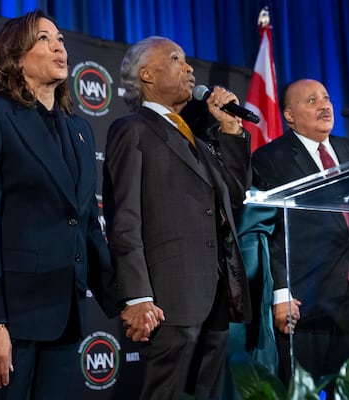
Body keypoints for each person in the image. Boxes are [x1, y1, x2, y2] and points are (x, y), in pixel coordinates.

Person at [0, 10, 117, 399]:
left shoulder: (79, 129)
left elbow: (86, 225)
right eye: (45, 39)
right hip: (11, 321)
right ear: (16, 55)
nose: (59, 46)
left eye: (60, 38)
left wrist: (122, 300)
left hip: (65, 317)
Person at [102, 35, 252, 400]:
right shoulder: (132, 129)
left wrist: (230, 129)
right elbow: (124, 219)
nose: (189, 68)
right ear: (147, 75)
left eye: (187, 60)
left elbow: (234, 196)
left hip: (214, 293)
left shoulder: (196, 139)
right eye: (175, 59)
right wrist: (137, 296)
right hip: (167, 300)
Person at [252, 78, 349, 387]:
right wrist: (281, 293)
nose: (324, 105)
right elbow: (269, 232)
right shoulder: (270, 158)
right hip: (306, 300)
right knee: (304, 390)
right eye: (311, 100)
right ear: (289, 115)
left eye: (325, 98)